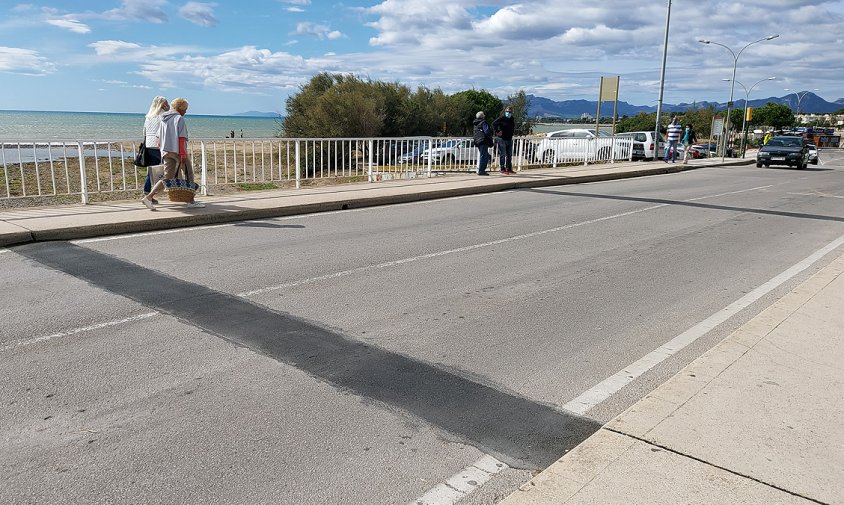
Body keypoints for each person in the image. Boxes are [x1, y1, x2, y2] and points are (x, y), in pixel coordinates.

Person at [141, 97, 204, 210]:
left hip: (166, 152)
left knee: (167, 178)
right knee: (189, 174)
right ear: (181, 108)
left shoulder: (164, 118)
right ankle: (191, 201)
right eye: (185, 109)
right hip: (177, 152)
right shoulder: (179, 119)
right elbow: (181, 138)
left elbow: (159, 138)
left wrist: (163, 150)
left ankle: (149, 197)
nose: (186, 111)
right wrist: (183, 154)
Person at [141, 96, 169, 203]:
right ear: (162, 104)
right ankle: (151, 195)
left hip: (149, 145)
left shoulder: (149, 116)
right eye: (166, 103)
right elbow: (164, 131)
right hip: (158, 146)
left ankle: (147, 192)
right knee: (162, 171)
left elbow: (144, 132)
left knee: (151, 171)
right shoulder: (162, 116)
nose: (168, 105)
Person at [492, 105, 516, 174]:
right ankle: (502, 168)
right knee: (502, 154)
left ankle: (509, 168)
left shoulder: (511, 119)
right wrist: (497, 131)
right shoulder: (502, 118)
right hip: (502, 139)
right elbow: (494, 124)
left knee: (509, 155)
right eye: (507, 111)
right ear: (505, 111)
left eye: (510, 112)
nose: (508, 113)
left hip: (509, 138)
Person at [472, 111, 493, 176]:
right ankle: (481, 170)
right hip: (483, 140)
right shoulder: (483, 122)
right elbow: (487, 131)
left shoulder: (475, 123)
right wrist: (491, 138)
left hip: (477, 140)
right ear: (482, 116)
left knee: (485, 155)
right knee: (484, 155)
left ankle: (481, 169)